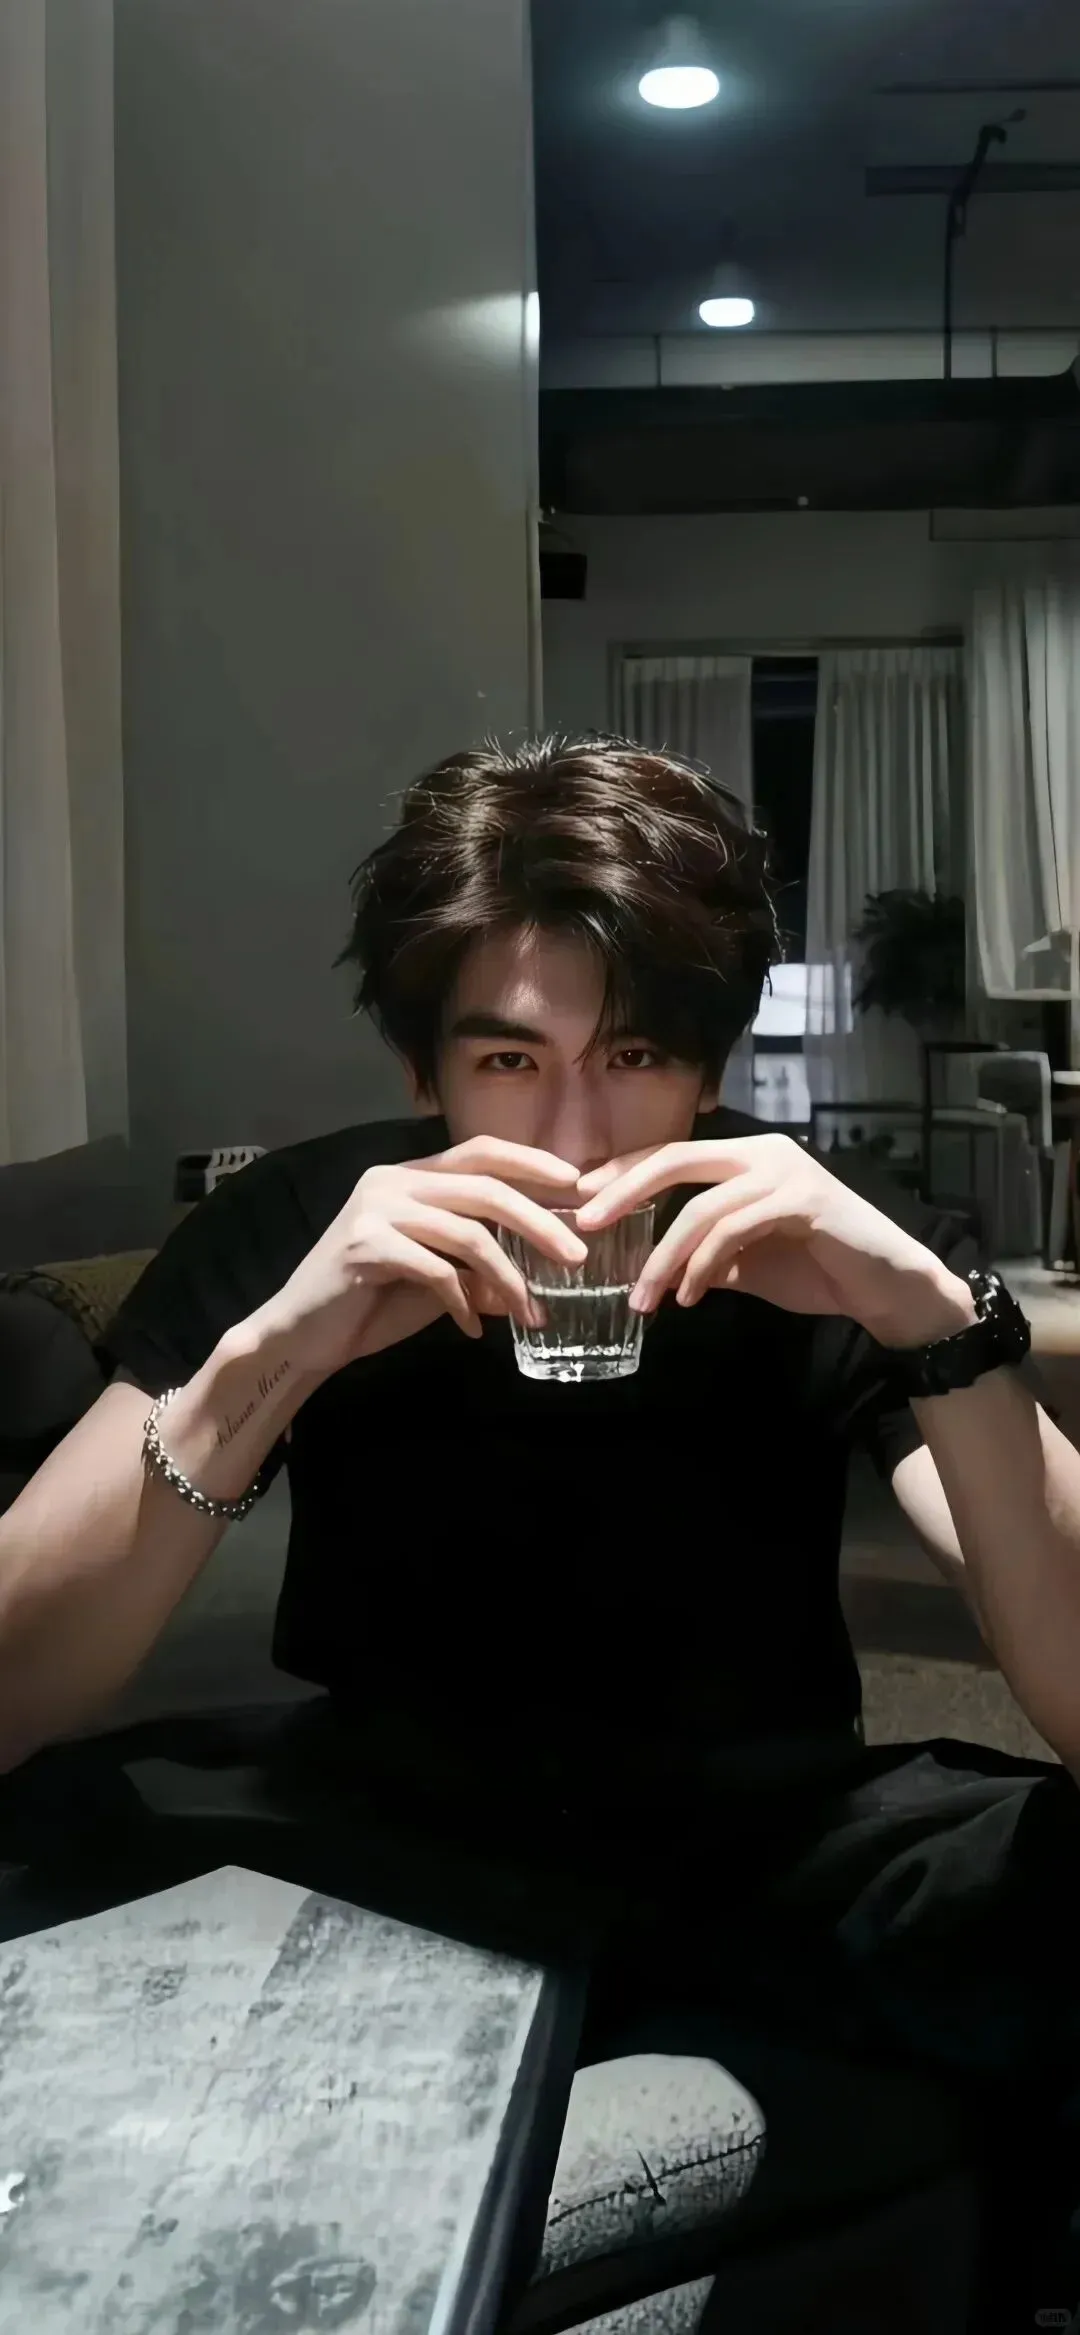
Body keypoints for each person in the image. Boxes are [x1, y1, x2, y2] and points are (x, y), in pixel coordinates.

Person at [2, 733, 1080, 2326]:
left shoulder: (824, 1236)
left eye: (633, 1053)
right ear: (421, 1073)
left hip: (758, 1825)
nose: (576, 1139)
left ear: (707, 1067)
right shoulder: (309, 1223)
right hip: (382, 1810)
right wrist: (267, 1360)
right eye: (509, 1060)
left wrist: (941, 1324)